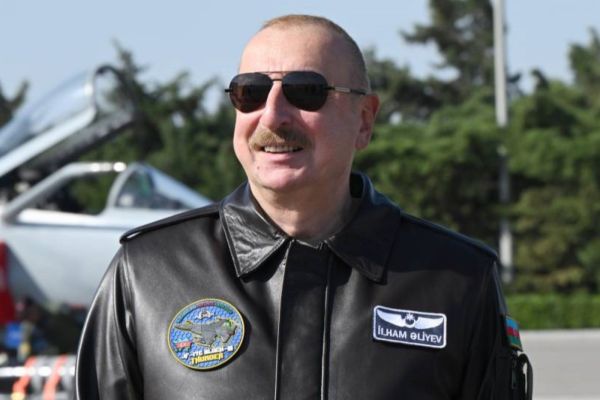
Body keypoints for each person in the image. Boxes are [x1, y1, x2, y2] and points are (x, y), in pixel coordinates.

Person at [75, 14, 531, 400]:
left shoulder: (458, 278)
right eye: (250, 92)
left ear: (364, 121)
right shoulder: (147, 272)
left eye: (306, 91)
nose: (273, 115)